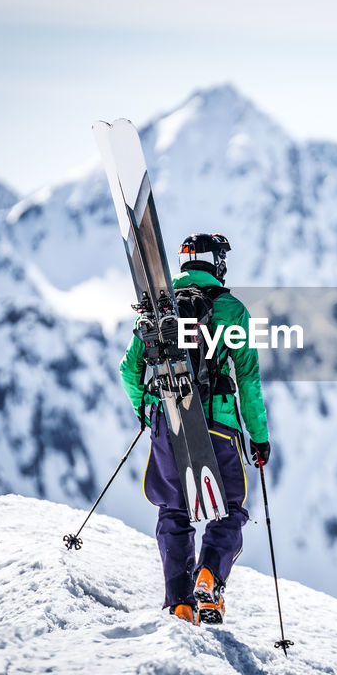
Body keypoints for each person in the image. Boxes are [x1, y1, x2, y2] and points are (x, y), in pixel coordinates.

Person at [118, 232, 271, 625]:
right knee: (229, 509)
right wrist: (259, 437)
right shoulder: (232, 310)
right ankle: (209, 578)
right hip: (218, 425)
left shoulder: (157, 308)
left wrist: (147, 409)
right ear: (216, 262)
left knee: (174, 510)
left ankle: (181, 603)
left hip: (168, 421)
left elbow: (130, 369)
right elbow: (248, 378)